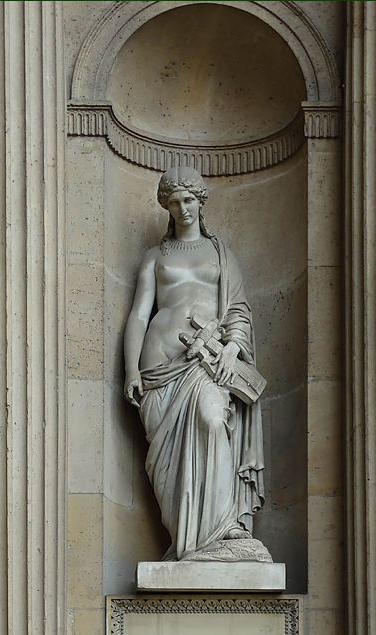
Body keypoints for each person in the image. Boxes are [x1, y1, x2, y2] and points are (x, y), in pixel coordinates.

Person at [124, 166, 270, 563]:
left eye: (188, 200)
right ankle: (185, 540)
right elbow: (139, 314)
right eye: (174, 202)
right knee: (168, 466)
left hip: (205, 365)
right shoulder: (156, 257)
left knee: (211, 419)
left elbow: (238, 310)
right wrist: (131, 370)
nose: (182, 208)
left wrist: (232, 349)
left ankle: (223, 531)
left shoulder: (221, 255)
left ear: (200, 202)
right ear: (166, 208)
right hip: (158, 369)